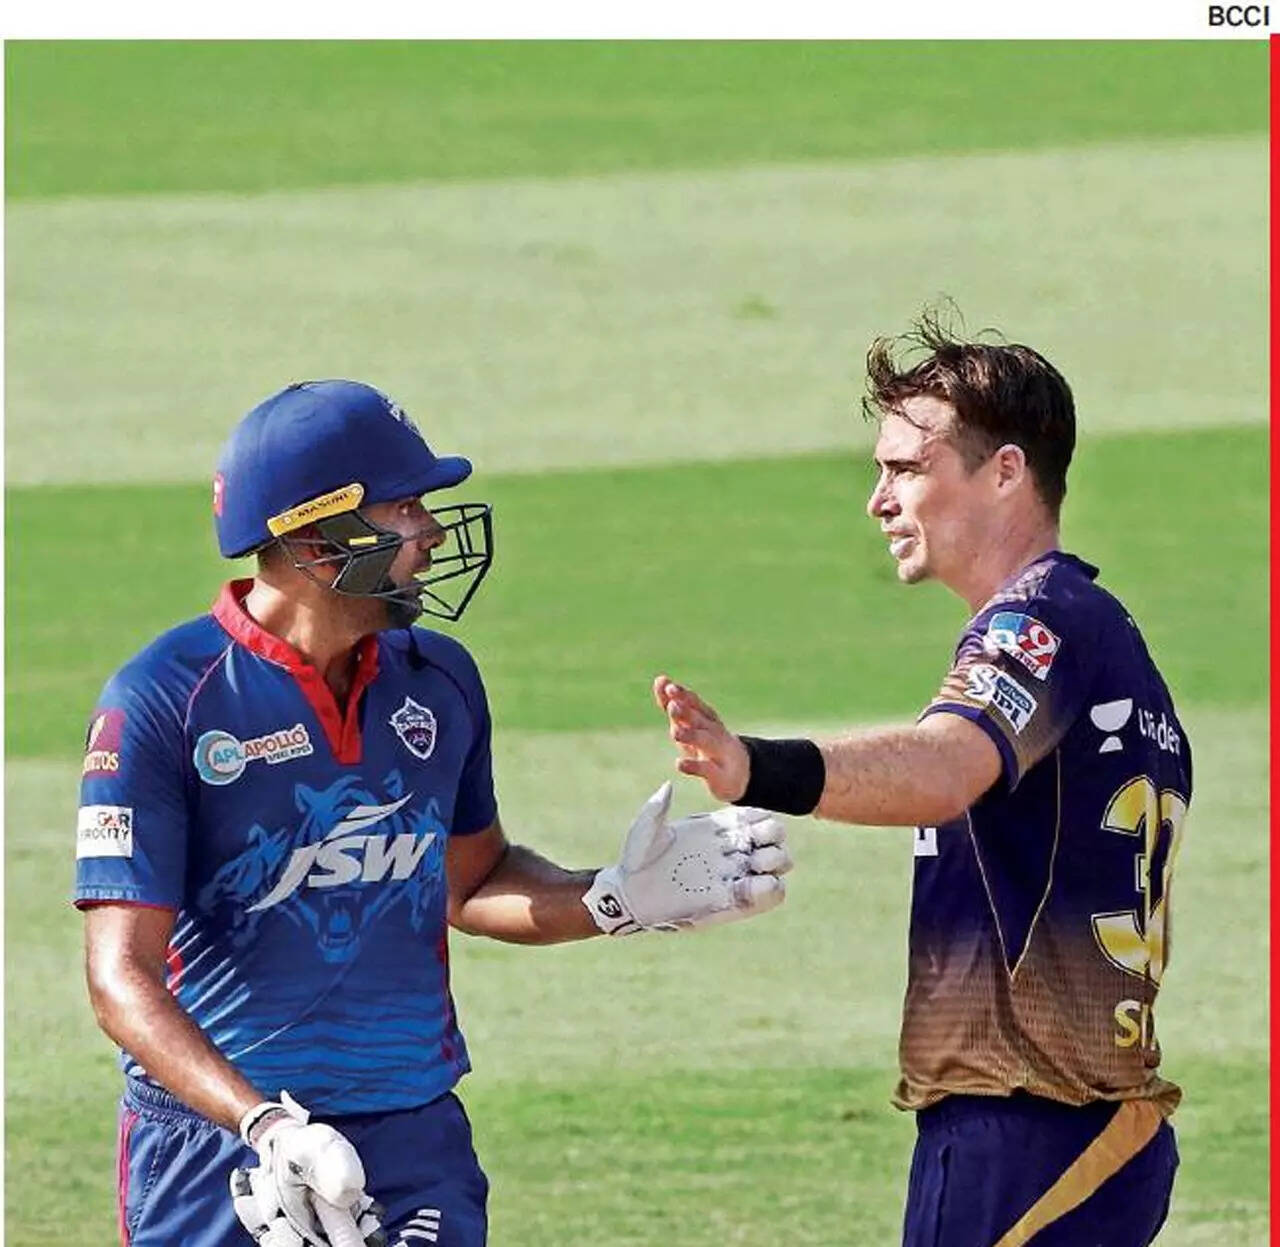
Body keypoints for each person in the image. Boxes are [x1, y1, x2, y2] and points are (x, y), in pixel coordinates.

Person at [75, 379, 792, 1247]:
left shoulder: (439, 680)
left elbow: (472, 882)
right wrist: (267, 1125)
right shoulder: (164, 701)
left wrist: (613, 898)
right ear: (317, 537)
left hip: (411, 1136)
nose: (435, 534)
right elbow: (122, 978)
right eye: (406, 508)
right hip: (222, 1144)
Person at [655, 315, 1191, 1247]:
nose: (879, 500)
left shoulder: (1036, 624)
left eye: (906, 469)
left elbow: (945, 766)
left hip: (1023, 1132)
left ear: (1006, 471)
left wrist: (754, 768)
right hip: (1086, 1127)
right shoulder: (1104, 636)